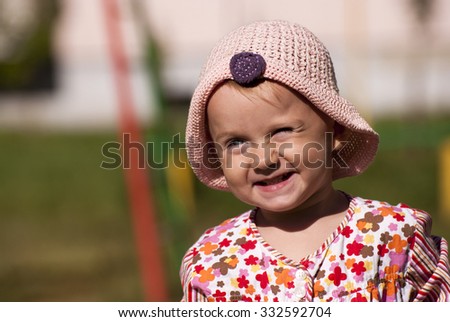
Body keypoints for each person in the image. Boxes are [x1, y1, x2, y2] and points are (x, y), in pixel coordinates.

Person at [180, 20, 450, 302]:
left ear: (336, 131)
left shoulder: (394, 239)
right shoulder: (212, 264)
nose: (262, 158)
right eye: (236, 142)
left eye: (281, 132)